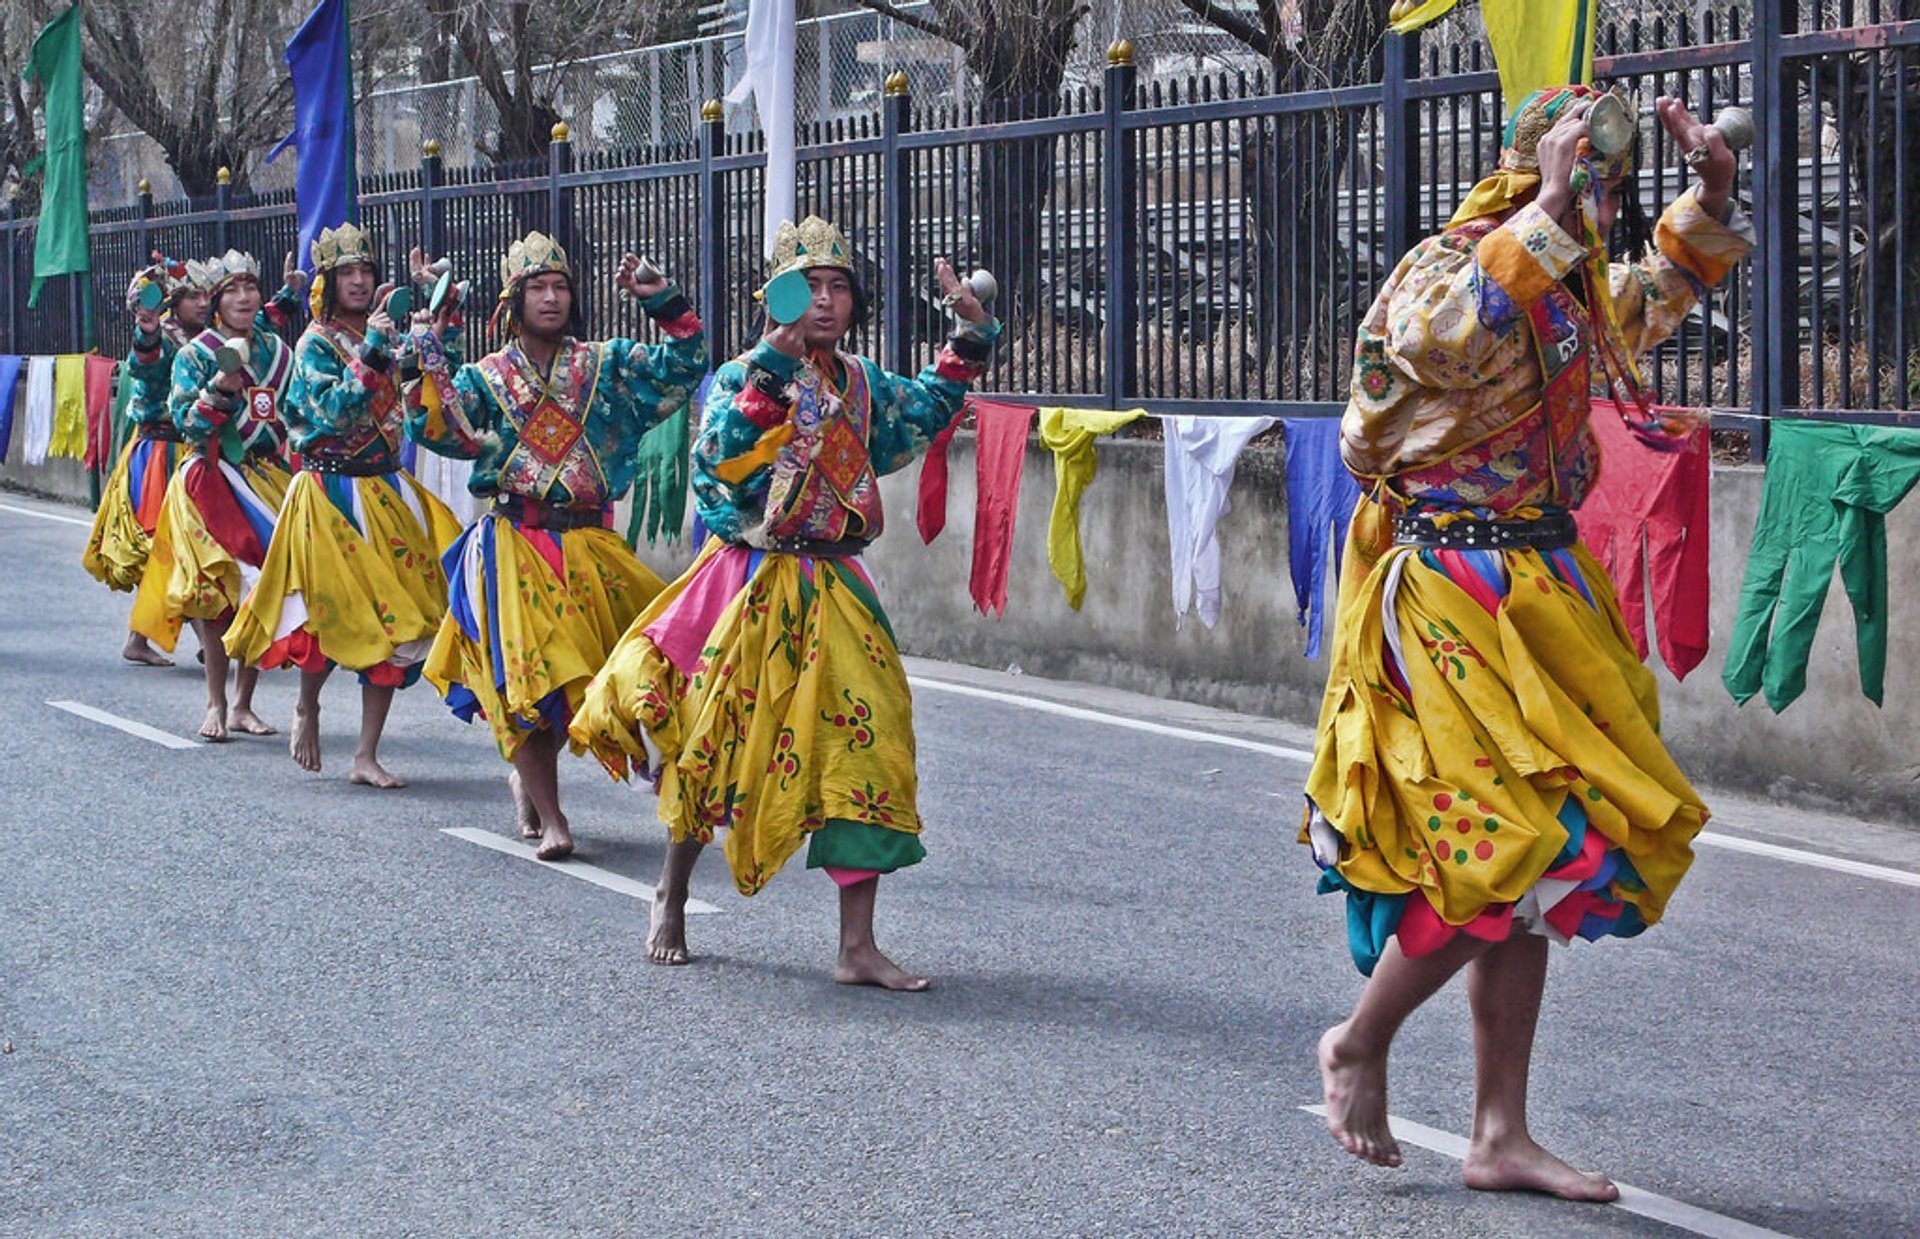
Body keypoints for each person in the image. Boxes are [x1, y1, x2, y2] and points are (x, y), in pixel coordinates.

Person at [1304, 88, 1753, 1199]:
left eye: (1608, 181)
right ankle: (1359, 1040)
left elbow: (1645, 305)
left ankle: (1500, 1131)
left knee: (1563, 843)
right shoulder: (1449, 261)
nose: (1598, 197)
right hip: (1450, 586)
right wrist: (1545, 207)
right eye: (1584, 174)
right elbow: (1416, 356)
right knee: (1521, 844)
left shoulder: (1566, 285)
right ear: (1532, 165)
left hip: (1546, 586)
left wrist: (1711, 199)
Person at [571, 216, 998, 990]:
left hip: (838, 586)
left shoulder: (863, 383)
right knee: (718, 740)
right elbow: (717, 470)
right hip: (753, 581)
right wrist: (774, 372)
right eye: (811, 289)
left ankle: (856, 945)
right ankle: (671, 888)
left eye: (839, 288)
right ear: (779, 300)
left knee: (869, 744)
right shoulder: (744, 375)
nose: (826, 304)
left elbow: (925, 411)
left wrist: (969, 339)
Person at [401, 231, 707, 859]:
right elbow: (437, 424)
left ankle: (544, 782)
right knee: (533, 685)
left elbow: (685, 366)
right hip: (516, 543)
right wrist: (429, 341)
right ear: (513, 300)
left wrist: (663, 301)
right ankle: (552, 812)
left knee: (639, 668)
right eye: (536, 287)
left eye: (559, 286)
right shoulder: (486, 378)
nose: (550, 297)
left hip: (592, 545)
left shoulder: (607, 363)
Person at [225, 223, 464, 788]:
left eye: (365, 272)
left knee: (403, 618)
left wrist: (440, 305)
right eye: (347, 274)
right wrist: (374, 352)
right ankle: (308, 704)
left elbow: (436, 377)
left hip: (383, 489)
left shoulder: (385, 334)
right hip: (327, 491)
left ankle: (365, 754)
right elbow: (332, 411)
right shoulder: (313, 344)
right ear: (329, 285)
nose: (358, 282)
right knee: (327, 610)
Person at [130, 250, 301, 741]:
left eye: (251, 287)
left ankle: (245, 702)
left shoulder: (278, 353)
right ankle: (215, 701)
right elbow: (185, 421)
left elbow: (293, 414)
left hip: (265, 479)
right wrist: (219, 391)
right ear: (216, 302)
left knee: (264, 588)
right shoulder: (194, 354)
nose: (245, 297)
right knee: (213, 591)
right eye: (232, 290)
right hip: (209, 478)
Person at [84, 255, 211, 667]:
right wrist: (148, 330)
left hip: (193, 449)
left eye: (207, 294)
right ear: (173, 304)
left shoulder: (207, 339)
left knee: (188, 543)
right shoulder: (165, 339)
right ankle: (208, 638)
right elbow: (146, 367)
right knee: (175, 543)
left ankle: (147, 637)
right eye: (193, 297)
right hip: (162, 451)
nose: (203, 303)